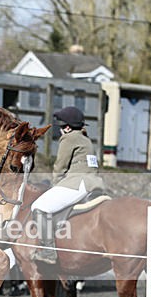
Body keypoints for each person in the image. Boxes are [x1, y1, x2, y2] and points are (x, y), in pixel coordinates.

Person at [31, 106, 105, 264]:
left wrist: (55, 184)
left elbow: (60, 166)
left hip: (77, 184)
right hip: (94, 183)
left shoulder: (69, 138)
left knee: (38, 207)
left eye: (60, 127)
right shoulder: (86, 140)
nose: (60, 131)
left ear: (67, 128)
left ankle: (48, 251)